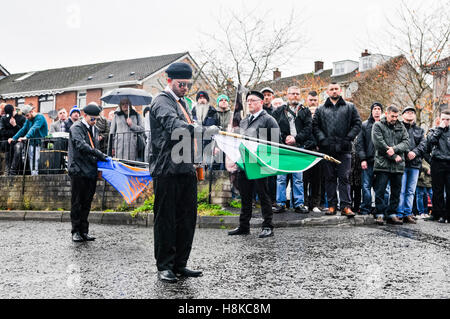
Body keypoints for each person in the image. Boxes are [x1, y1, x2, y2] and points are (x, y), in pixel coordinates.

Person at [149, 62, 219, 283]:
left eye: (188, 85)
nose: (185, 88)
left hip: (185, 167)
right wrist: (203, 130)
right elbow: (175, 126)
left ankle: (180, 263)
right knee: (166, 219)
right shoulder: (161, 101)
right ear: (169, 80)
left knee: (186, 219)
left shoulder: (182, 103)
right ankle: (165, 266)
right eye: (182, 84)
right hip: (167, 170)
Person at [228, 90, 280, 238]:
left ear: (261, 102)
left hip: (260, 164)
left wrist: (267, 162)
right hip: (245, 164)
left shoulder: (269, 120)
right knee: (245, 197)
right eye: (248, 100)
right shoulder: (244, 121)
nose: (249, 103)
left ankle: (268, 226)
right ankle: (244, 226)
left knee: (264, 196)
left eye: (252, 100)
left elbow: (276, 142)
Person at [312, 82, 362, 216]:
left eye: (336, 89)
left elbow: (357, 124)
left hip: (344, 149)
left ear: (340, 91)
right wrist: (323, 140)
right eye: (331, 89)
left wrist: (347, 139)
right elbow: (315, 126)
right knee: (329, 178)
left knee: (344, 178)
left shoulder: (350, 107)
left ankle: (346, 206)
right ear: (327, 92)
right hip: (327, 149)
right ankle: (332, 206)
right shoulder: (320, 109)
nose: (334, 91)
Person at [68, 102, 108, 242]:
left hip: (90, 169)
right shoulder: (76, 127)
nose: (94, 121)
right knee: (77, 202)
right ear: (85, 116)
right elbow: (80, 145)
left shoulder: (95, 129)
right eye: (92, 118)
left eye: (96, 118)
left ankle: (84, 231)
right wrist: (98, 153)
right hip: (78, 169)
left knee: (87, 202)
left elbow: (95, 146)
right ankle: (75, 231)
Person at [272, 86, 309, 214]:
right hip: (283, 147)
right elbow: (274, 127)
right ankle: (280, 203)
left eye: (297, 93)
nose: (295, 96)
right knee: (281, 177)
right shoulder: (279, 111)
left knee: (298, 177)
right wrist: (284, 137)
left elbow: (308, 128)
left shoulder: (305, 111)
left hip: (298, 147)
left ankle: (299, 204)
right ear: (287, 95)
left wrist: (296, 138)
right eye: (292, 93)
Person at [372, 105, 410, 225]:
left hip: (398, 166)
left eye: (396, 116)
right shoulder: (378, 125)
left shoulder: (401, 126)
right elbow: (379, 144)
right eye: (392, 116)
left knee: (396, 191)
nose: (394, 118)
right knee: (380, 191)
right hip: (383, 164)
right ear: (387, 114)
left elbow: (406, 142)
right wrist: (393, 156)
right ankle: (380, 214)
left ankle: (392, 214)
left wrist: (394, 149)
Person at [420, 109, 450, 223]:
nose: (446, 121)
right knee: (437, 190)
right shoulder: (434, 131)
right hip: (437, 163)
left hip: (449, 163)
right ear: (439, 119)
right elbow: (428, 146)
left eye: (448, 120)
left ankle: (447, 215)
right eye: (443, 119)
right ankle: (438, 214)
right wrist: (431, 161)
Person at [396, 106, 425, 224]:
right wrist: (407, 152)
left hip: (415, 164)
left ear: (415, 116)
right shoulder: (398, 128)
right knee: (401, 190)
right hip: (401, 163)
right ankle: (399, 213)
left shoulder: (420, 130)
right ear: (402, 115)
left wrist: (415, 152)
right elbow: (397, 142)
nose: (410, 114)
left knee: (411, 191)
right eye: (407, 112)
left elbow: (423, 144)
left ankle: (408, 213)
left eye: (412, 112)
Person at [356, 102, 383, 215]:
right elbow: (360, 144)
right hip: (368, 161)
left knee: (382, 188)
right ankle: (366, 208)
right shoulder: (365, 125)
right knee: (366, 186)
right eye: (375, 109)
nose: (377, 111)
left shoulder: (385, 125)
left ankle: (380, 209)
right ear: (371, 111)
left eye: (379, 109)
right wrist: (363, 159)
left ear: (381, 111)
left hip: (382, 162)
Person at [9, 104, 48, 176]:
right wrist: (14, 138)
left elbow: (34, 128)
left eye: (27, 115)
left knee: (37, 160)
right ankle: (34, 176)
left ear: (32, 111)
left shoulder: (40, 117)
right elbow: (23, 129)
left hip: (40, 143)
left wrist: (26, 137)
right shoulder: (28, 120)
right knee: (32, 161)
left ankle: (36, 177)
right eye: (25, 116)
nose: (26, 118)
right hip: (32, 143)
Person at [302, 91, 322, 213]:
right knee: (304, 180)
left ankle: (315, 204)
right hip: (304, 152)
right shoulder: (302, 116)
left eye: (315, 100)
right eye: (311, 100)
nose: (313, 102)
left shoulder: (321, 119)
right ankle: (304, 203)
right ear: (307, 100)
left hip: (317, 154)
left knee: (317, 180)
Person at [0, 104, 26, 175]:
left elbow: (23, 131)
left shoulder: (22, 118)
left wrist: (14, 125)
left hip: (18, 141)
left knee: (18, 148)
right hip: (7, 141)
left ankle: (13, 170)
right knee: (7, 151)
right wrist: (13, 132)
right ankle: (7, 171)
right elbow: (2, 132)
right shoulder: (4, 118)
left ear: (14, 110)